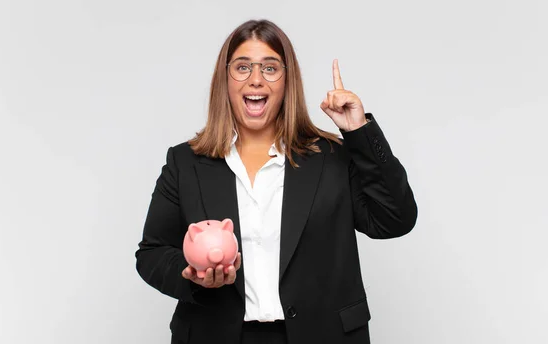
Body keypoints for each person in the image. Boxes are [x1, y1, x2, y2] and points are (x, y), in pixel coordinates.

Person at [135, 19, 418, 344]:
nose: (256, 79)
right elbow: (152, 253)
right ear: (225, 79)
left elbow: (395, 219)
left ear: (287, 81)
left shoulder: (330, 157)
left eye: (270, 68)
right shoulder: (185, 162)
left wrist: (358, 132)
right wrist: (193, 277)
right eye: (242, 67)